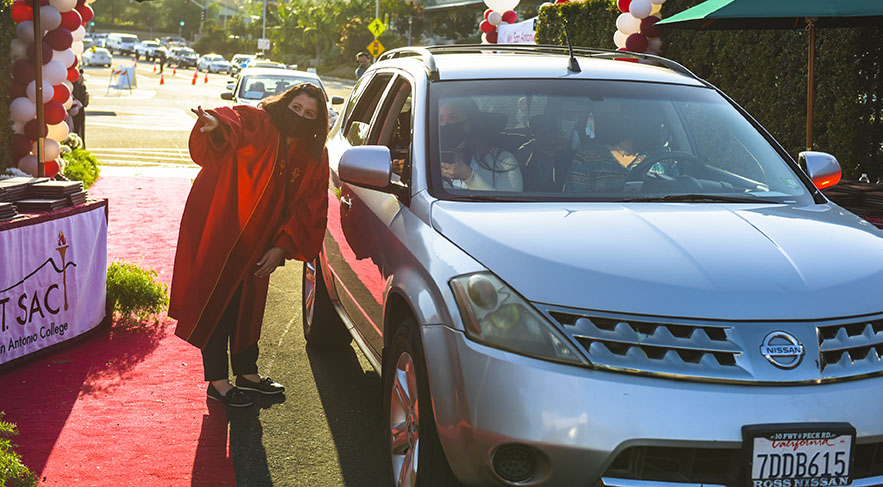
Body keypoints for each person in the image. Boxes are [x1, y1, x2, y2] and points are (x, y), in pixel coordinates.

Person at [169, 83, 330, 408]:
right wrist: (216, 124)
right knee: (219, 299)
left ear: (318, 121)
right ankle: (218, 381)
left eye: (309, 114)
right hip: (222, 223)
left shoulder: (313, 156)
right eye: (296, 108)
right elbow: (237, 121)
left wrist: (283, 246)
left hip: (265, 238)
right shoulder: (262, 124)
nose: (300, 116)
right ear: (284, 104)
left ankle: (247, 374)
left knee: (249, 305)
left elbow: (311, 205)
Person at [564, 111, 663, 193]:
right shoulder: (588, 157)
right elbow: (578, 203)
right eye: (655, 124)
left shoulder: (664, 158)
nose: (660, 129)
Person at [438, 97, 522, 192]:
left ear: (469, 123)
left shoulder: (503, 161)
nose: (445, 124)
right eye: (440, 119)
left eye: (453, 118)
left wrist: (468, 176)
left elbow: (509, 205)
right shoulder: (425, 160)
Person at [69, 68, 89, 147]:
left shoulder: (82, 86)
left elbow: (84, 102)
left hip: (80, 111)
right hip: (74, 111)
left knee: (80, 130)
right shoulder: (73, 85)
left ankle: (80, 145)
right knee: (75, 129)